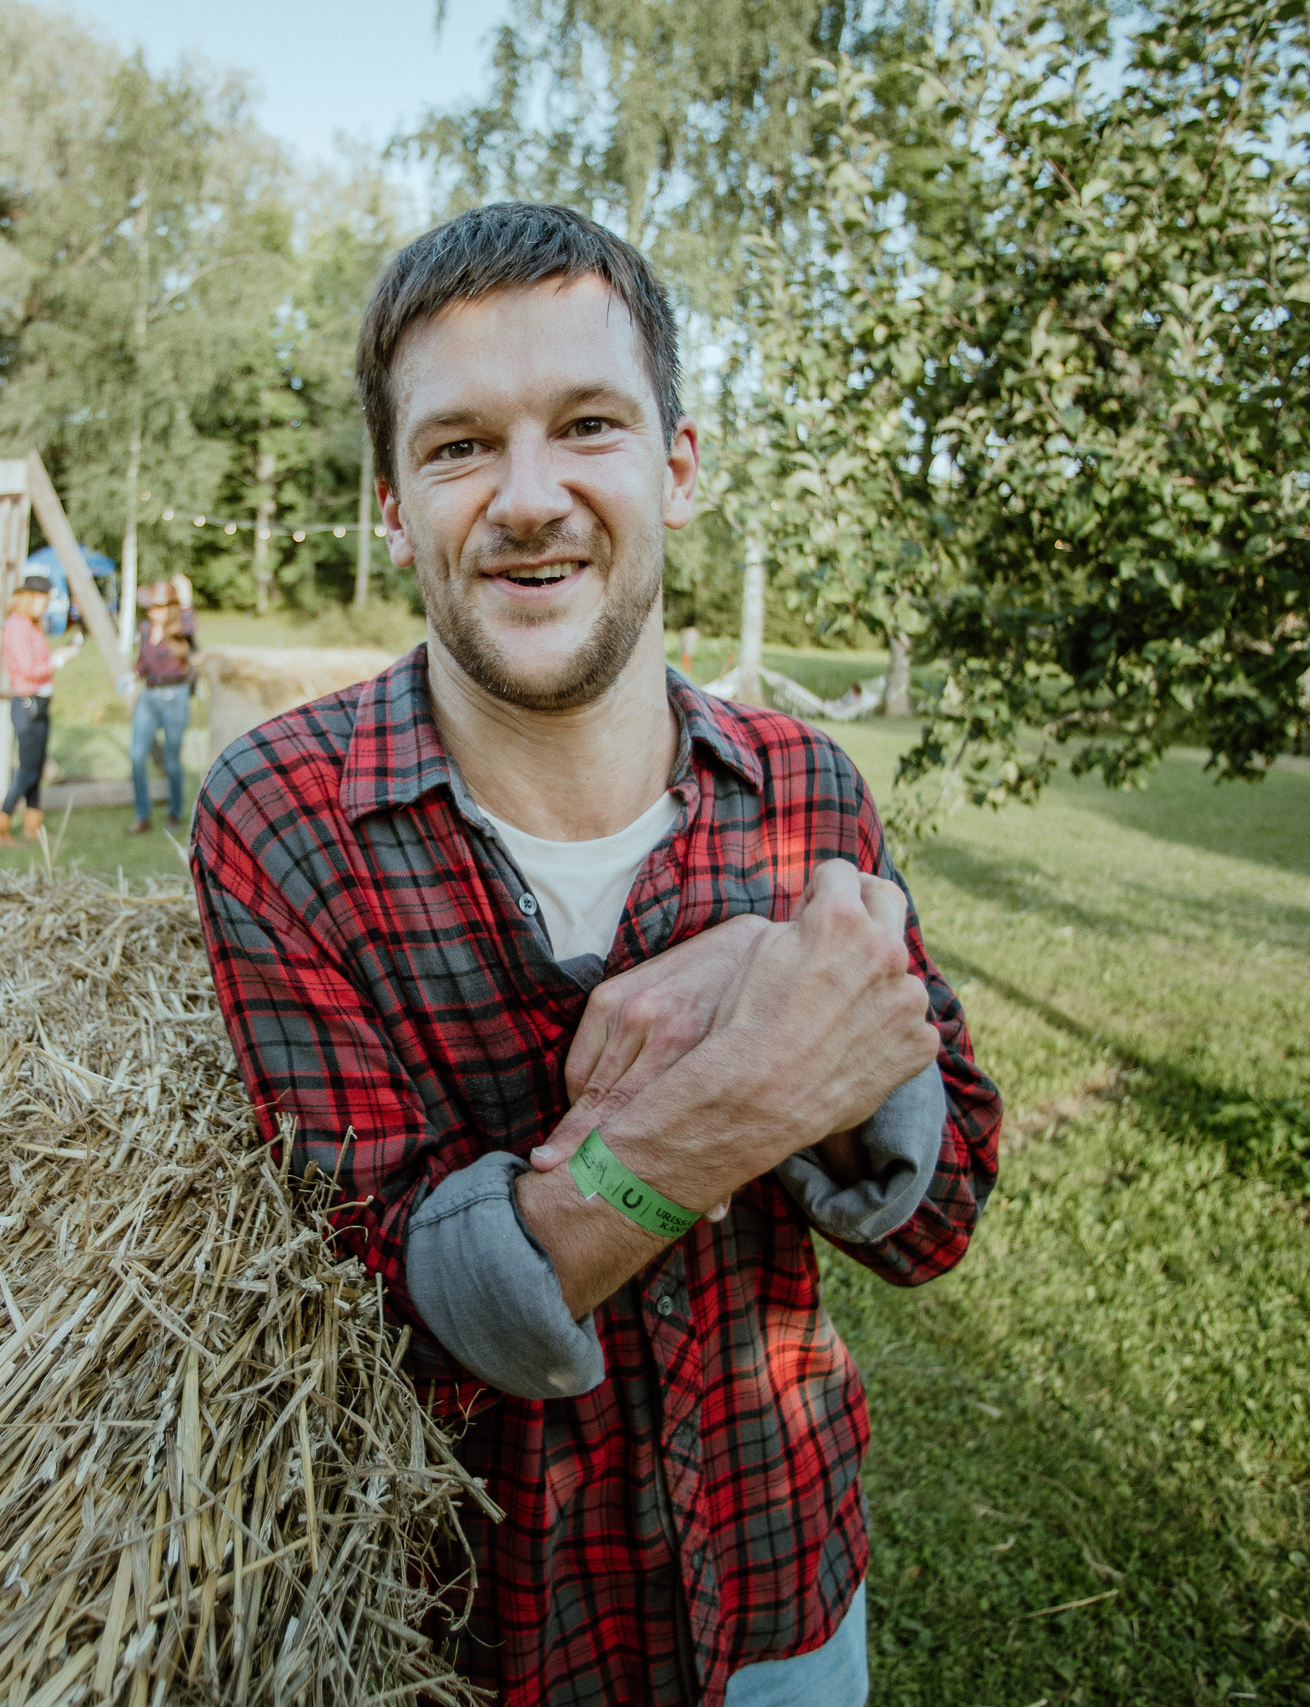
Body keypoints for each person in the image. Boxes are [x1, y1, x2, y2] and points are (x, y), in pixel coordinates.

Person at [190, 203, 1002, 1705]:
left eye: (586, 425)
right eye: (457, 447)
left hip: (787, 1594)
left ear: (676, 467)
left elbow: (935, 1213)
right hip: (478, 1639)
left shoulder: (806, 791)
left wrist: (766, 952)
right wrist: (745, 1089)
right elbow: (398, 1306)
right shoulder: (284, 816)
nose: (528, 496)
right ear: (391, 502)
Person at [0, 574, 77, 847]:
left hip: (39, 701)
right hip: (26, 703)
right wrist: (58, 661)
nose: (46, 606)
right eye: (42, 600)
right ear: (28, 598)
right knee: (26, 771)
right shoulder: (16, 626)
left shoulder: (31, 625)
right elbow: (29, 670)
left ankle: (33, 827)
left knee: (36, 769)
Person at [127, 582, 197, 834]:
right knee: (136, 756)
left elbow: (190, 627)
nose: (152, 612)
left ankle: (175, 813)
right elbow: (143, 661)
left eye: (159, 607)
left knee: (172, 761)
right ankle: (142, 814)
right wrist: (132, 675)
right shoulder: (145, 628)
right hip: (149, 695)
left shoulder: (180, 629)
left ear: (170, 608)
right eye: (150, 608)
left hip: (174, 696)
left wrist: (186, 598)